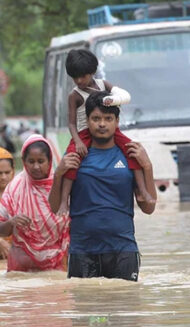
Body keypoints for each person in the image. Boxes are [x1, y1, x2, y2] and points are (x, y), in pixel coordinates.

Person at [48, 91, 157, 281]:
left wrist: (147, 166)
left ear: (117, 121)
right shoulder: (76, 155)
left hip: (123, 250)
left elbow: (149, 208)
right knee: (86, 308)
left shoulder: (130, 154)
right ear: (87, 121)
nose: (102, 124)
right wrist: (58, 173)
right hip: (82, 250)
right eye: (96, 118)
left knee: (123, 307)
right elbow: (55, 207)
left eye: (108, 118)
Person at [57, 49, 154, 216]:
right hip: (84, 134)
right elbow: (72, 123)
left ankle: (143, 191)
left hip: (112, 132)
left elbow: (124, 96)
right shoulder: (74, 95)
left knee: (133, 152)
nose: (79, 81)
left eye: (83, 76)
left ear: (92, 72)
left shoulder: (104, 85)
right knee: (71, 161)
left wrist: (112, 101)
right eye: (75, 77)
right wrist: (78, 142)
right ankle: (64, 201)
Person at [0, 134, 71, 271]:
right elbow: (0, 230)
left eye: (41, 161)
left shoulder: (61, 185)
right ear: (24, 162)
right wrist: (12, 222)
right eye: (31, 161)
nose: (36, 167)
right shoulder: (15, 187)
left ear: (49, 161)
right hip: (23, 263)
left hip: (57, 262)